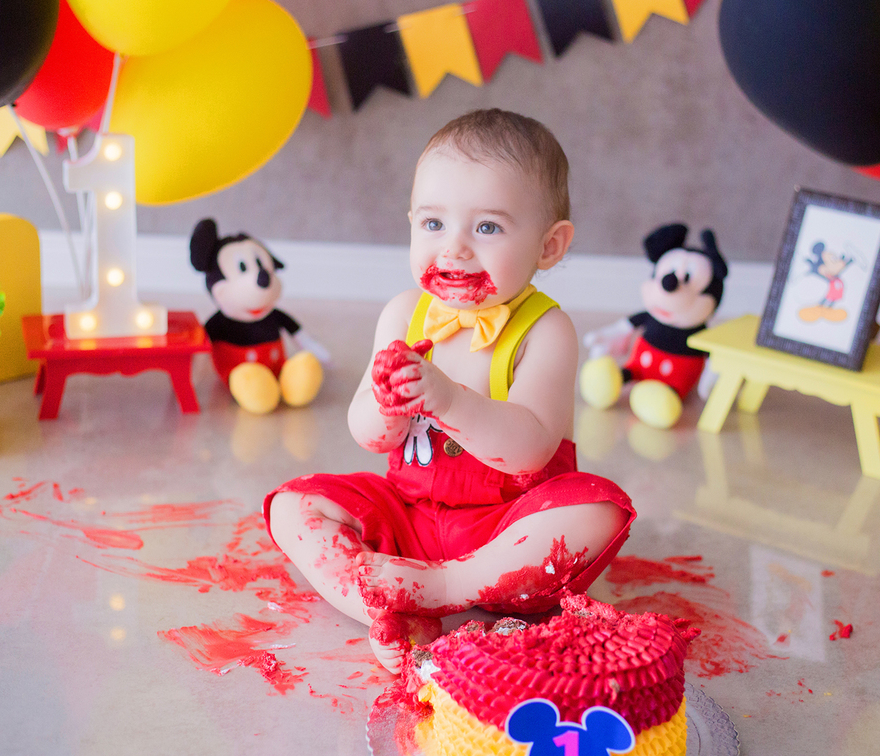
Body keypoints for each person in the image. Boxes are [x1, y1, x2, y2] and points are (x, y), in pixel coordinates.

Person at [264, 109, 634, 672]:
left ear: (549, 246)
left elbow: (533, 448)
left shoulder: (545, 330)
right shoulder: (402, 314)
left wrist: (451, 400)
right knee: (294, 506)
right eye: (433, 225)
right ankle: (382, 606)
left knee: (599, 509)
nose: (454, 249)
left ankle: (447, 587)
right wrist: (387, 403)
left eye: (487, 227)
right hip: (409, 515)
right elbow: (366, 433)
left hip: (508, 526)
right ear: (411, 223)